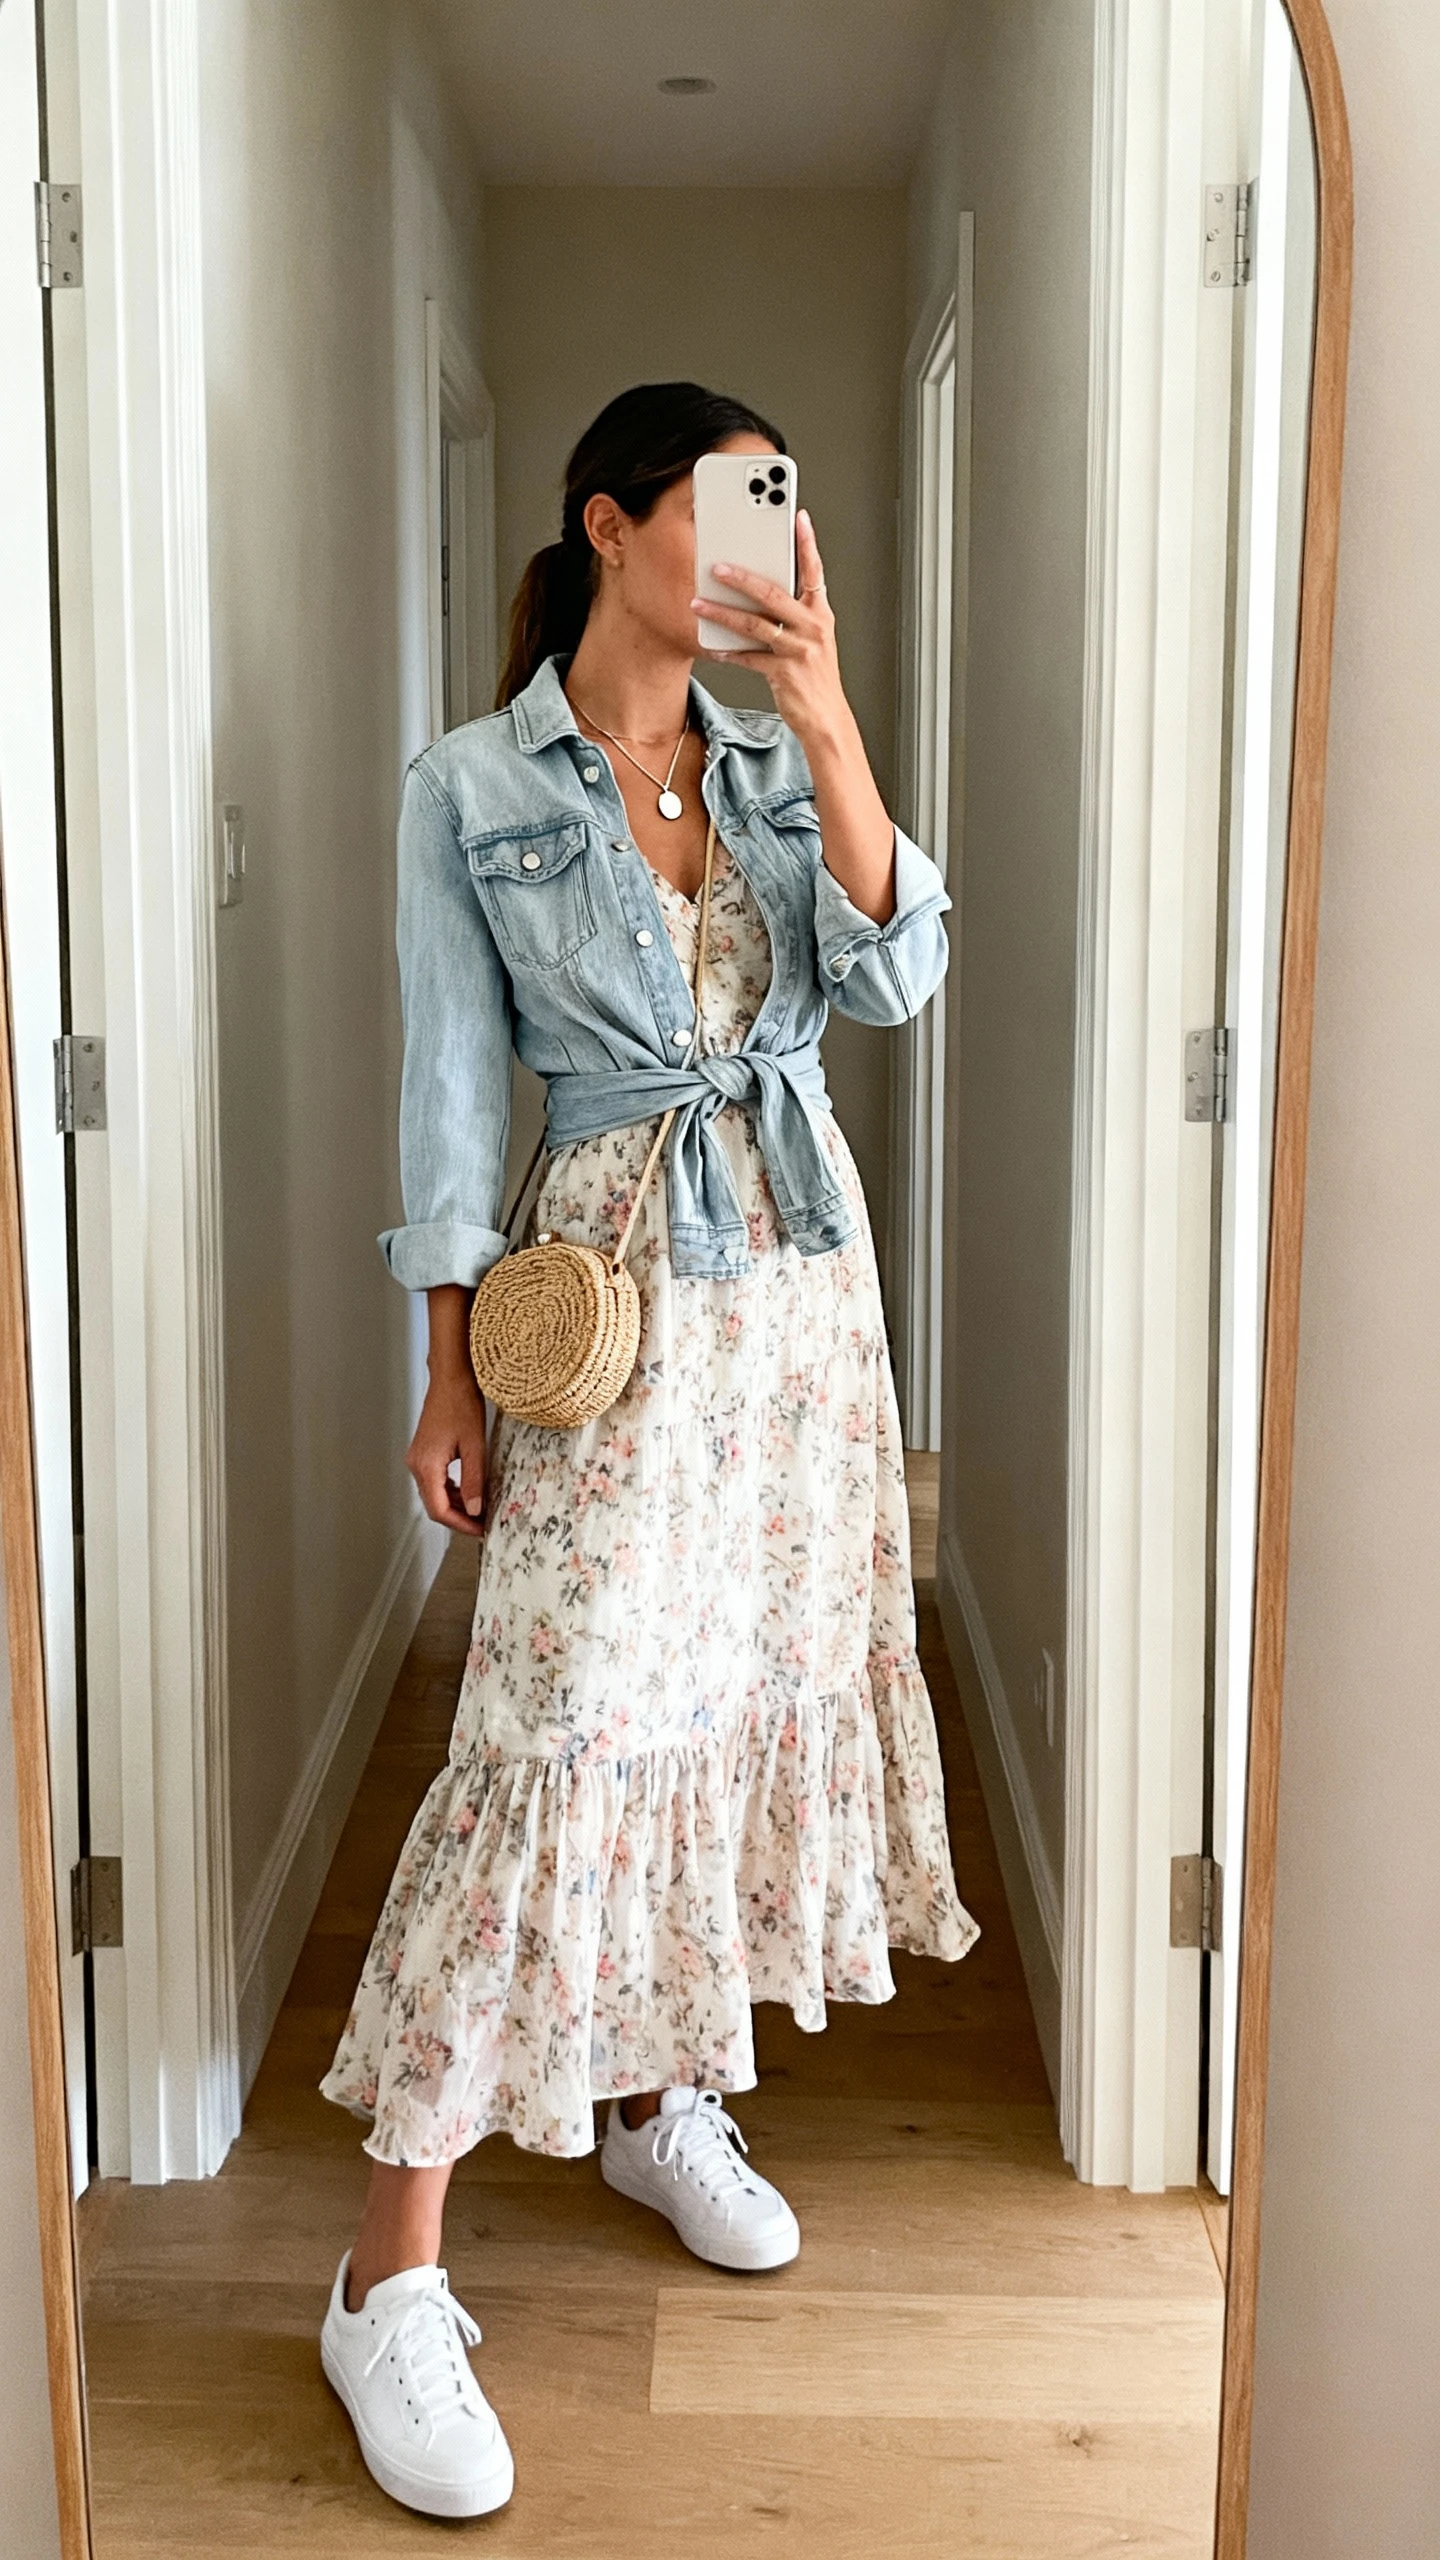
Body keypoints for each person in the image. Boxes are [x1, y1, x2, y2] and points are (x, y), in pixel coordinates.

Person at [316, 381, 979, 2518]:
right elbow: (441, 1102)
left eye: (779, 510)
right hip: (601, 1296)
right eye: (721, 508)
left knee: (727, 1696)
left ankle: (661, 2093)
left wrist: (840, 713)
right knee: (556, 1718)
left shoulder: (785, 757)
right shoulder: (469, 783)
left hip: (797, 1294)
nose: (759, 545)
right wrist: (440, 1373)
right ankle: (382, 2280)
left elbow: (901, 970)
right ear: (611, 524)